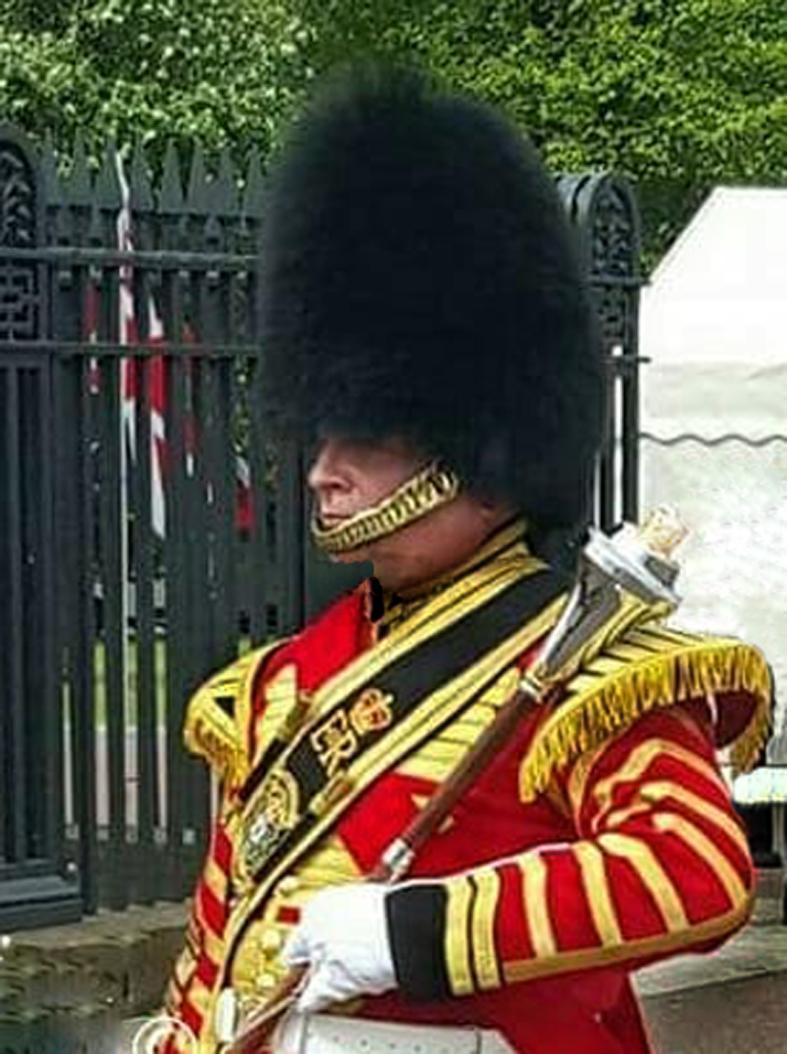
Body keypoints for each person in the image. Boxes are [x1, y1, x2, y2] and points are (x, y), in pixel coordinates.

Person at [161, 66, 772, 1054]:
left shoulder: (591, 669)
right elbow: (216, 956)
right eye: (322, 433)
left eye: (368, 438)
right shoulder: (274, 688)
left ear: (482, 453)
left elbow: (691, 870)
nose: (322, 470)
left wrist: (415, 934)